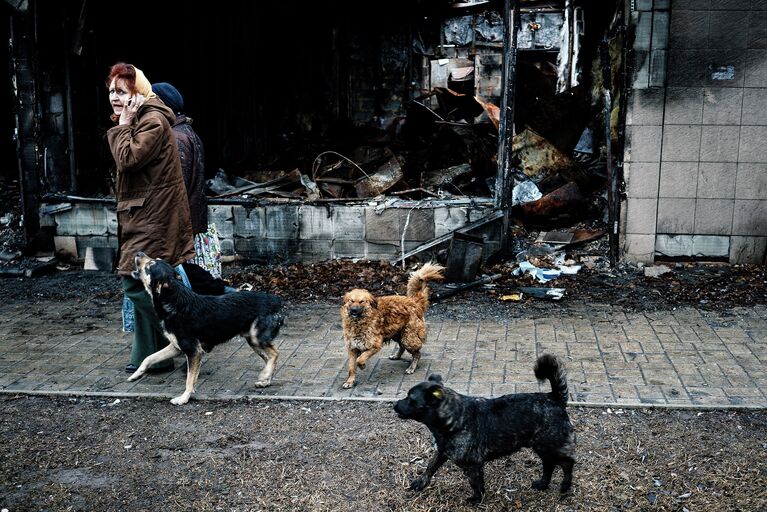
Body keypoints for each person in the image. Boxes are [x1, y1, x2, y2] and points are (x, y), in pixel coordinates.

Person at [105, 63, 195, 374]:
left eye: (122, 91)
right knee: (145, 285)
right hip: (145, 214)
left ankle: (186, 332)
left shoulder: (153, 121)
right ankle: (150, 357)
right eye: (112, 92)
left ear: (138, 92)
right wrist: (126, 123)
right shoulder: (143, 119)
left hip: (153, 218)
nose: (116, 98)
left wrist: (123, 124)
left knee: (134, 280)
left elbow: (128, 159)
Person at [152, 82, 224, 287]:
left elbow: (176, 187)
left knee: (184, 284)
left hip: (179, 224)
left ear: (162, 105)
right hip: (188, 221)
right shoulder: (185, 132)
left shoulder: (175, 138)